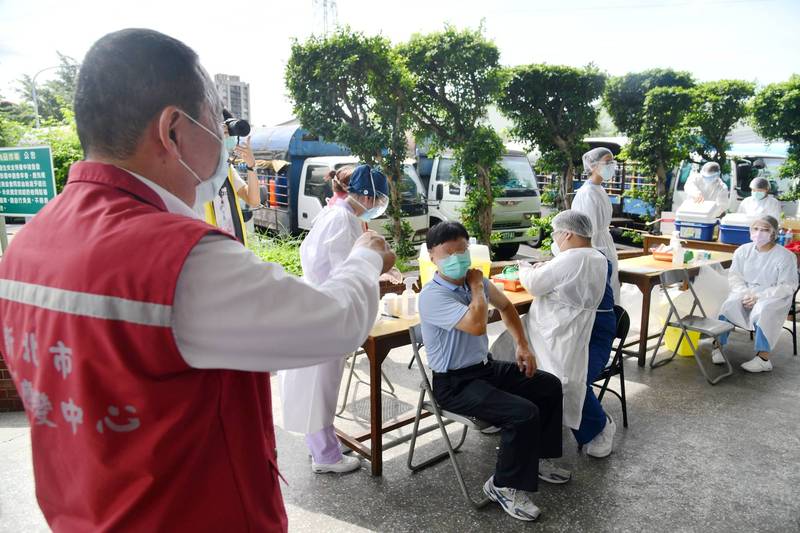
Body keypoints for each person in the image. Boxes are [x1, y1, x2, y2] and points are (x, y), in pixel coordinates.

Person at [0, 29, 396, 532]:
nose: (225, 138)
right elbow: (335, 325)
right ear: (173, 129)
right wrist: (365, 260)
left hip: (81, 514)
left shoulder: (30, 242)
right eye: (218, 122)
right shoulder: (179, 258)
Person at [418, 221, 566, 522]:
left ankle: (537, 458)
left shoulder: (478, 283)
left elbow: (507, 307)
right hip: (454, 384)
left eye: (463, 251)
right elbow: (476, 325)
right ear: (432, 256)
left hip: (483, 370)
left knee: (548, 385)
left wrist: (523, 345)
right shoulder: (433, 295)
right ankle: (502, 485)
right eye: (449, 253)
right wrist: (476, 286)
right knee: (522, 413)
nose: (458, 258)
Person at [279, 164, 389, 474]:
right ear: (369, 197)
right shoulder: (343, 219)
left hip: (320, 302)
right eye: (380, 200)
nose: (380, 206)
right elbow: (347, 270)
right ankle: (325, 456)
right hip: (328, 308)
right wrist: (376, 269)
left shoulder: (337, 213)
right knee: (321, 386)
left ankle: (323, 444)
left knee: (321, 384)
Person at [519, 210, 618, 458]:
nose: (554, 239)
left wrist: (523, 268)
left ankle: (600, 427)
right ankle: (519, 414)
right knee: (531, 361)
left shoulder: (576, 257)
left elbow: (535, 283)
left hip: (590, 330)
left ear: (568, 234)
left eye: (555, 234)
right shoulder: (597, 256)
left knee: (568, 380)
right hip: (580, 326)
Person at [713, 215, 797, 373]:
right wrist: (745, 293)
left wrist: (759, 297)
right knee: (729, 305)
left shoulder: (785, 256)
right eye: (756, 229)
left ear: (774, 233)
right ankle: (718, 347)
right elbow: (735, 276)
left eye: (765, 230)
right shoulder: (743, 250)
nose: (759, 233)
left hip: (773, 295)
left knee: (763, 310)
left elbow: (788, 285)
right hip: (746, 291)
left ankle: (763, 358)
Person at [572, 147, 620, 302]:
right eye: (607, 162)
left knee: (610, 291)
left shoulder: (599, 189)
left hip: (605, 244)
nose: (611, 165)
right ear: (593, 166)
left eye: (612, 162)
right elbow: (587, 230)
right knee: (598, 294)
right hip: (594, 247)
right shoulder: (587, 194)